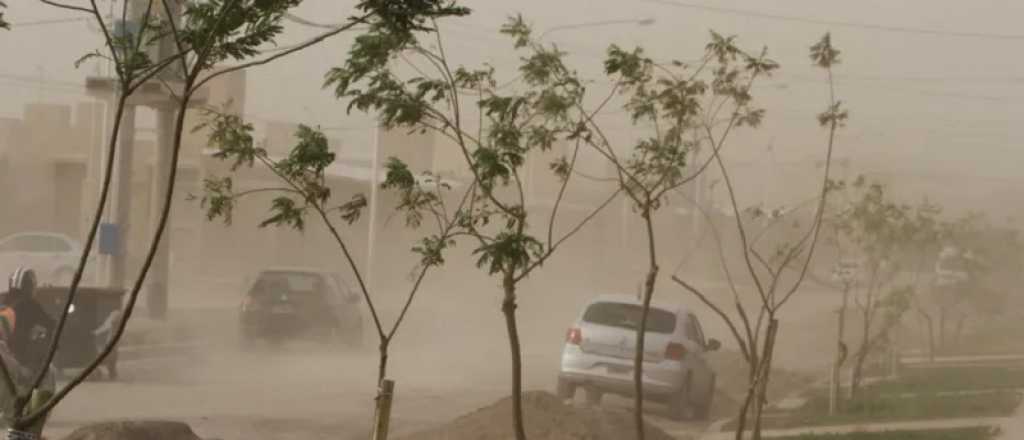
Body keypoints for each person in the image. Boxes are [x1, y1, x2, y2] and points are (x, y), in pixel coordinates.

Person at [4, 269, 55, 375]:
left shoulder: (3, 300)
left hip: (5, 353)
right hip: (19, 355)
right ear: (28, 287)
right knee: (47, 375)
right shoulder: (30, 304)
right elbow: (50, 324)